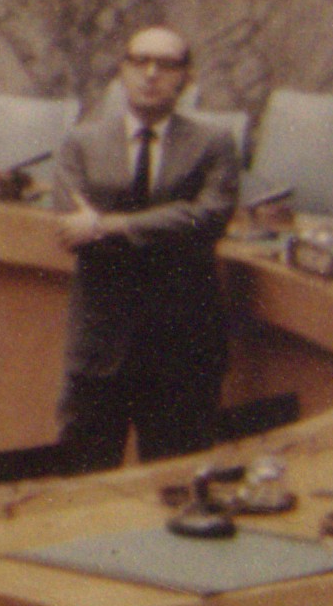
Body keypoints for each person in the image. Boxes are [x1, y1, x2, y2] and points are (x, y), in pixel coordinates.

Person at [52, 26, 241, 466]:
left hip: (182, 342)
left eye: (167, 64)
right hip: (100, 341)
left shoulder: (213, 144)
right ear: (122, 71)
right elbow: (71, 229)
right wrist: (167, 230)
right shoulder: (81, 143)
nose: (151, 74)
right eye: (140, 62)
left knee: (177, 480)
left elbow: (208, 219)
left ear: (186, 78)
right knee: (81, 481)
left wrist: (107, 225)